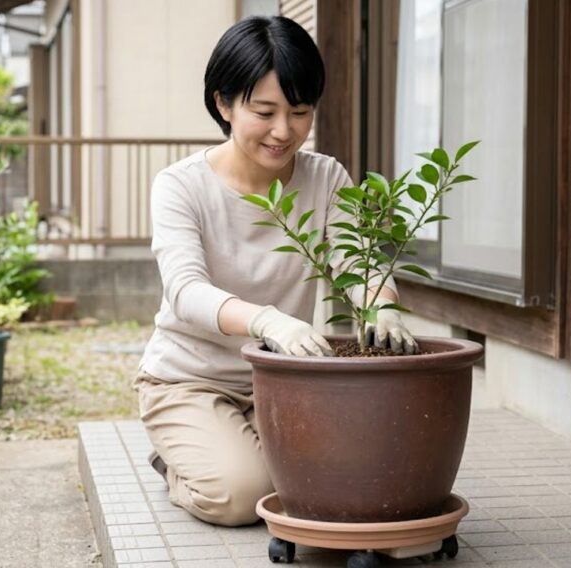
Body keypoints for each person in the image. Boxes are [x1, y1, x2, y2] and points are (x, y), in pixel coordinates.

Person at [135, 15, 418, 527]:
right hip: (190, 380)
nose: (284, 131)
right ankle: (177, 464)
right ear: (224, 104)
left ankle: (229, 451)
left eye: (300, 112)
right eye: (264, 112)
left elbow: (356, 258)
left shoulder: (325, 176)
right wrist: (267, 320)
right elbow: (186, 290)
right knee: (243, 495)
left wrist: (383, 306)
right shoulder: (181, 186)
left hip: (284, 379)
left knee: (338, 475)